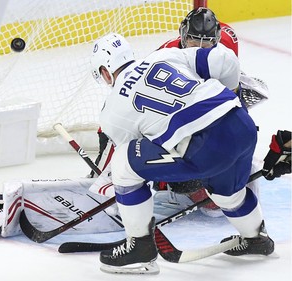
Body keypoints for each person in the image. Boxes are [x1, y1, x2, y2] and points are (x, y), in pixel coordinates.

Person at [90, 32, 274, 274]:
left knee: (123, 163)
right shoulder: (164, 55)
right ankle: (256, 238)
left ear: (104, 72)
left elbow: (140, 163)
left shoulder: (111, 111)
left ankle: (139, 249)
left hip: (204, 147)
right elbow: (226, 60)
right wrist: (231, 99)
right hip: (241, 125)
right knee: (227, 192)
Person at [90, 7, 269, 217]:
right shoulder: (166, 53)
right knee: (205, 193)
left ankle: (233, 172)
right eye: (194, 40)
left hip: (210, 118)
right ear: (183, 37)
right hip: (185, 122)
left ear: (217, 39)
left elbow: (226, 83)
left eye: (208, 41)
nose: (201, 46)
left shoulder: (226, 43)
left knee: (215, 198)